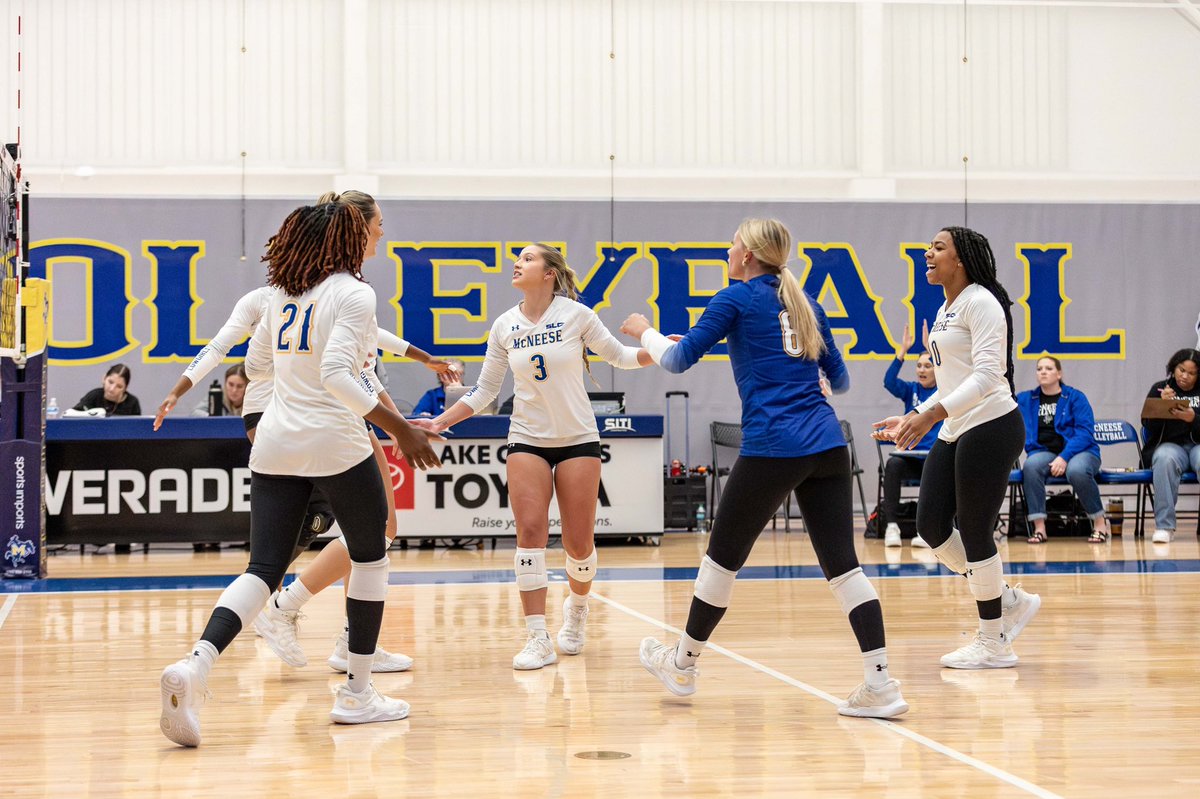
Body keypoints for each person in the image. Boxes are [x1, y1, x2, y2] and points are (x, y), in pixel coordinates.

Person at [158, 200, 443, 747]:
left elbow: (259, 367)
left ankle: (195, 666)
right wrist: (401, 428)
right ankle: (358, 692)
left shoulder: (284, 296)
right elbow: (338, 375)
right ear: (347, 237)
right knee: (371, 555)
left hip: (274, 441)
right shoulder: (354, 292)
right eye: (367, 227)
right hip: (334, 439)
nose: (374, 234)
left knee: (263, 568)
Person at [623, 218, 907, 718]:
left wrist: (644, 330)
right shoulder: (808, 304)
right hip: (827, 446)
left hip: (775, 446)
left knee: (721, 560)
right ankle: (881, 684)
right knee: (844, 567)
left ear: (749, 255)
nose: (727, 251)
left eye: (733, 243)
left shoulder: (734, 299)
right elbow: (838, 382)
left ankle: (682, 666)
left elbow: (678, 360)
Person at [429, 243, 652, 671]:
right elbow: (485, 391)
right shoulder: (504, 325)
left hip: (578, 437)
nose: (518, 263)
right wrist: (438, 423)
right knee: (529, 533)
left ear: (549, 273)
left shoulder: (576, 315)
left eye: (529, 259)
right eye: (519, 258)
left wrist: (657, 350)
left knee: (578, 543)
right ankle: (537, 637)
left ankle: (578, 611)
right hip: (526, 436)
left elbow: (619, 357)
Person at [872, 226, 1040, 670]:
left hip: (991, 423)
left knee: (975, 527)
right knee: (930, 525)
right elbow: (952, 380)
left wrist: (930, 415)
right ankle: (1006, 598)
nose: (928, 253)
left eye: (938, 247)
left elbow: (988, 377)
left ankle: (994, 642)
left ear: (961, 259)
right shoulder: (947, 306)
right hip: (956, 427)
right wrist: (915, 413)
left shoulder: (982, 302)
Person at [1016, 356, 1108, 544]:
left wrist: (1064, 457)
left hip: (1082, 451)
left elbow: (1085, 432)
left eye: (1048, 368)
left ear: (1059, 374)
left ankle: (1099, 523)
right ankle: (1040, 528)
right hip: (1045, 452)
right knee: (1031, 466)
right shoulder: (1026, 399)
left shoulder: (1075, 397)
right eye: (1039, 368)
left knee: (1077, 470)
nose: (1043, 371)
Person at [880, 321, 940, 548]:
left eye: (928, 365)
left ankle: (926, 530)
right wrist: (902, 352)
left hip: (933, 456)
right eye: (919, 366)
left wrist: (934, 349)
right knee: (893, 465)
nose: (922, 370)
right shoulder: (911, 390)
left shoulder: (943, 390)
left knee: (934, 471)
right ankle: (892, 526)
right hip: (910, 456)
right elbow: (889, 382)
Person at [1142, 348, 1200, 544]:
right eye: (1181, 370)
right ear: (1173, 368)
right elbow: (1147, 425)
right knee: (1164, 458)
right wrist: (1161, 405)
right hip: (1171, 446)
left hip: (1197, 446)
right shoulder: (1160, 388)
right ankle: (1164, 526)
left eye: (1191, 373)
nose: (1185, 376)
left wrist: (1194, 419)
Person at [73, 363, 141, 416]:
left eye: (119, 386)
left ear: (125, 388)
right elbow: (71, 414)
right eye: (110, 382)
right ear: (104, 378)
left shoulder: (132, 402)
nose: (112, 389)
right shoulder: (94, 396)